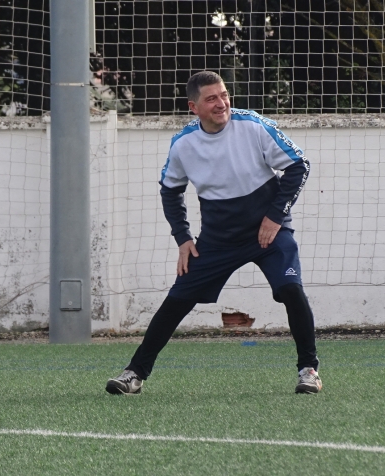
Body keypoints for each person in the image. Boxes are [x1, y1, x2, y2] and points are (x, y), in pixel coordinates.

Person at [105, 71, 321, 395]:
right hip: (219, 240)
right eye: (212, 99)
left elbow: (298, 165)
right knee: (176, 300)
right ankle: (134, 374)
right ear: (194, 107)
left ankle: (308, 371)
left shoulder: (253, 126)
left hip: (269, 234)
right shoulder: (183, 144)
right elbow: (170, 191)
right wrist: (183, 237)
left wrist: (275, 217)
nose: (222, 103)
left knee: (291, 289)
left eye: (224, 95)